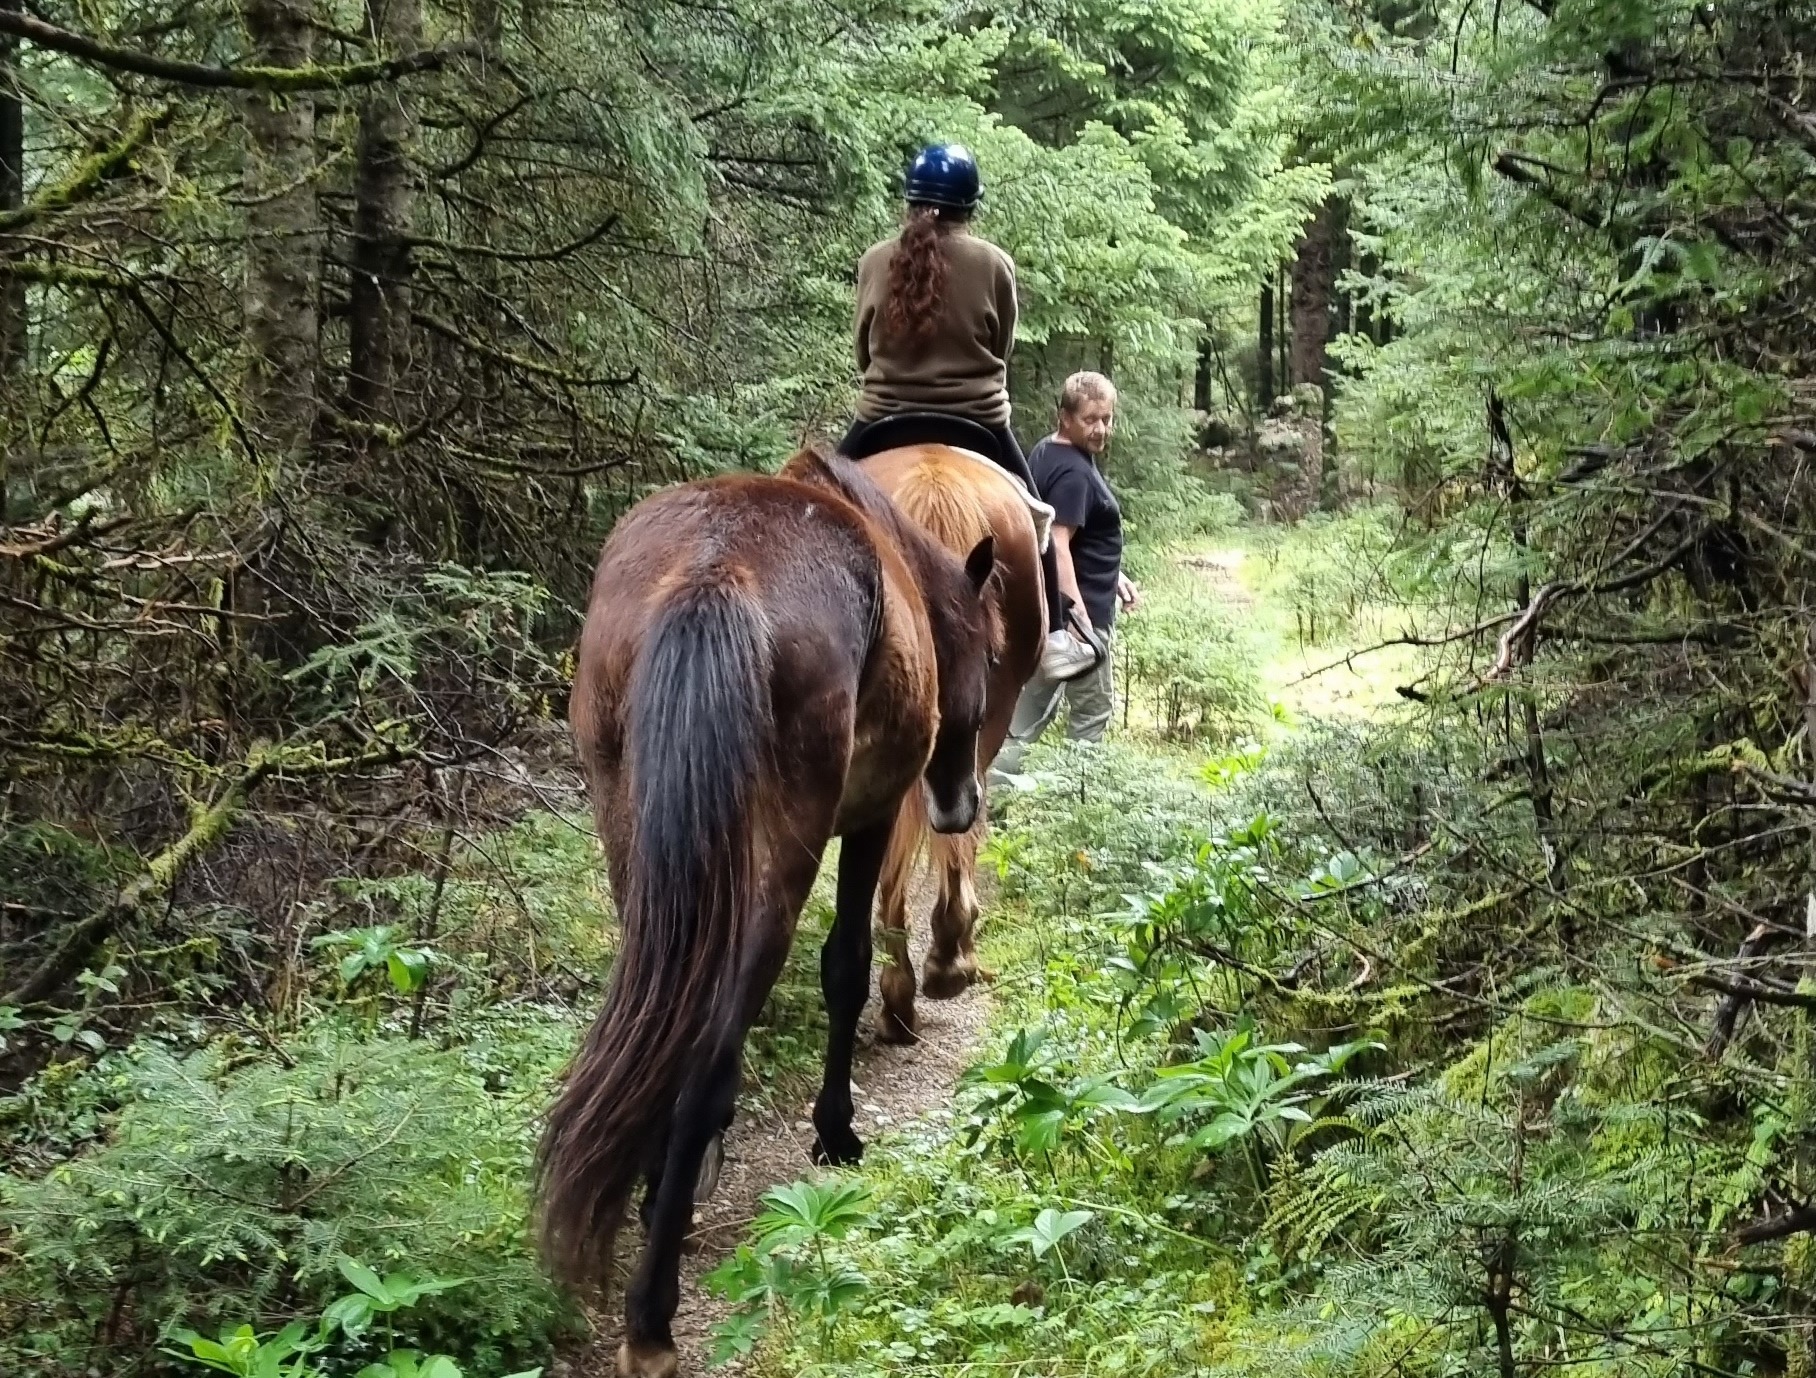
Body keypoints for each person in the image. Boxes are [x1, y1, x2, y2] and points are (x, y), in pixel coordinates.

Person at [840, 142, 1098, 682]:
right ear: (970, 207)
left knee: (812, 507)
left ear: (911, 202)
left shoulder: (875, 260)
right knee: (1039, 520)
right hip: (978, 422)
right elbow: (1000, 347)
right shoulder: (993, 263)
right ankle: (1054, 635)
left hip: (882, 416)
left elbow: (863, 351)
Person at [992, 372, 1137, 774]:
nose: (1101, 429)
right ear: (1065, 417)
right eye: (1091, 419)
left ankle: (992, 793)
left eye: (1107, 419)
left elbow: (1070, 538)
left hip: (1048, 613)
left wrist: (1115, 576)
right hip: (1078, 619)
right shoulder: (1074, 473)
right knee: (1091, 715)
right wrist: (1079, 621)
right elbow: (1056, 543)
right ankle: (1077, 800)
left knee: (1024, 719)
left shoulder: (1046, 453)